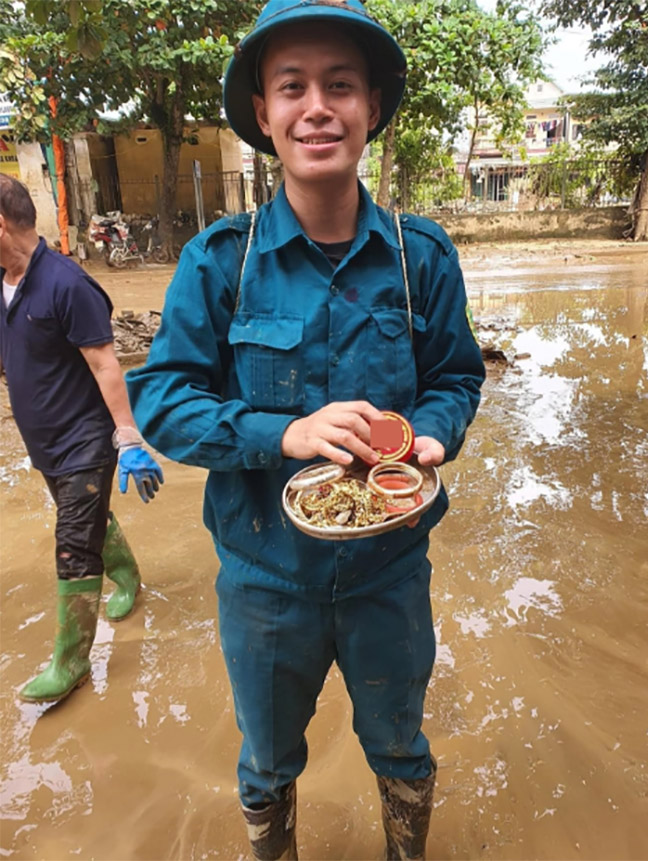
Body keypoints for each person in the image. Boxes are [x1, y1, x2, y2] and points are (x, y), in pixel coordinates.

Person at [127, 1, 485, 857]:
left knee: (400, 744)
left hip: (389, 574)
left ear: (372, 108)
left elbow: (456, 377)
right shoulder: (220, 261)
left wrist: (433, 433)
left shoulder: (420, 258)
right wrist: (281, 432)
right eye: (292, 86)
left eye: (341, 85)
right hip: (264, 583)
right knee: (266, 759)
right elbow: (163, 400)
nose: (316, 106)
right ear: (263, 113)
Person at [0, 173, 163, 706]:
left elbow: (105, 365)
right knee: (88, 518)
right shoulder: (2, 283)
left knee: (72, 546)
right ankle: (128, 575)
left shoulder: (67, 284)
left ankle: (70, 661)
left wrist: (128, 437)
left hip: (84, 441)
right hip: (44, 442)